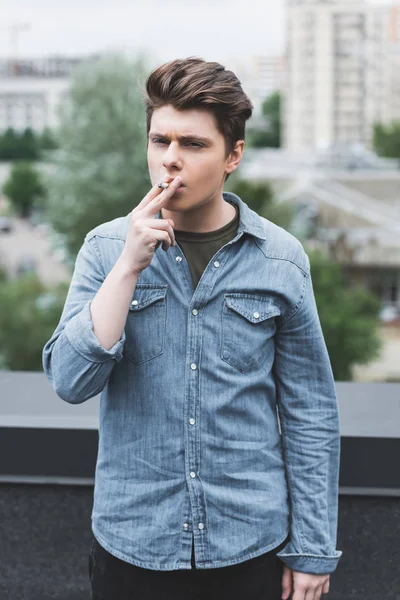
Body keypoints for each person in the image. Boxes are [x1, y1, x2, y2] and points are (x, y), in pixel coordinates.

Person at [42, 57, 342, 600]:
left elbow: (310, 411)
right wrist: (130, 266)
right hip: (134, 546)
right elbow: (69, 381)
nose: (170, 161)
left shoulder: (281, 259)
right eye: (160, 141)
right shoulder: (106, 249)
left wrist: (313, 550)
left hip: (250, 546)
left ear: (233, 156)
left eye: (193, 144)